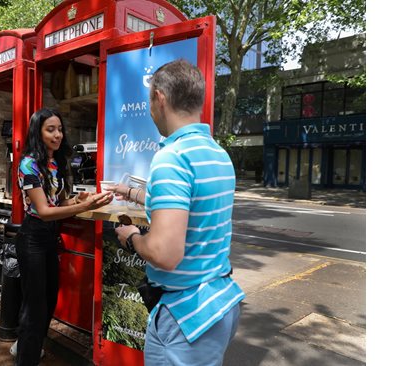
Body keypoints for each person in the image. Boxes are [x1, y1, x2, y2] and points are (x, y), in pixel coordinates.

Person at [110, 59, 245, 366]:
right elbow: (187, 202)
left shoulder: (171, 157)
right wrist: (130, 192)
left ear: (160, 98)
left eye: (149, 102)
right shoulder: (218, 154)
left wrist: (131, 237)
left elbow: (164, 253)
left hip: (185, 317)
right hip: (219, 302)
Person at [14, 108, 113, 366]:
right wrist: (82, 208)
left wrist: (79, 200)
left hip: (48, 240)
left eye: (60, 129)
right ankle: (25, 358)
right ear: (38, 132)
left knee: (48, 302)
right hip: (32, 239)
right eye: (51, 130)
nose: (58, 135)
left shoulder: (54, 163)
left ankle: (30, 352)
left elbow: (57, 201)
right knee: (34, 308)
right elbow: (45, 212)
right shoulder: (28, 165)